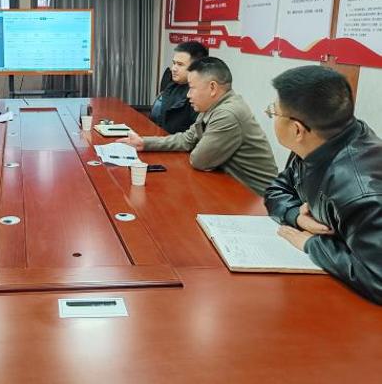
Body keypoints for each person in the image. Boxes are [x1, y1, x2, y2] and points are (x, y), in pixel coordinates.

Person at [264, 66, 382, 304]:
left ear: (297, 129)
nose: (271, 116)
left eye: (273, 111)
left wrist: (313, 244)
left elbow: (378, 279)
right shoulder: (323, 138)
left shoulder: (360, 191)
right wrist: (296, 216)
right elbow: (277, 189)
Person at [119, 57, 278, 196]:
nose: (188, 95)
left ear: (212, 88)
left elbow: (199, 160)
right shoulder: (212, 105)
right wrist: (144, 143)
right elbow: (187, 139)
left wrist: (200, 150)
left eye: (192, 88)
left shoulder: (228, 114)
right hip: (229, 186)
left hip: (256, 200)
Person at [150, 41, 208, 133]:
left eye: (180, 64)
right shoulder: (172, 85)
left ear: (197, 67)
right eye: (174, 63)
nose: (173, 69)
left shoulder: (200, 96)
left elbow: (195, 135)